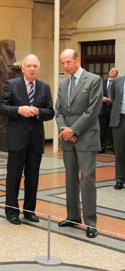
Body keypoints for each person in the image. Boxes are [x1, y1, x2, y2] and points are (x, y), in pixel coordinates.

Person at [0, 54, 54, 225]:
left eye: (35, 66)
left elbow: (50, 112)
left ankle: (29, 211)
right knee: (13, 177)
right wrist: (18, 110)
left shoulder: (44, 87)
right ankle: (11, 211)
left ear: (39, 68)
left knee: (33, 177)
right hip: (17, 138)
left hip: (36, 139)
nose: (31, 69)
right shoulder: (11, 85)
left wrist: (38, 112)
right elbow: (1, 107)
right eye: (28, 66)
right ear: (22, 68)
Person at [56, 49, 103, 238]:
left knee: (87, 180)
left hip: (86, 136)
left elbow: (93, 110)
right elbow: (58, 111)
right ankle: (72, 216)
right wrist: (64, 131)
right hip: (68, 139)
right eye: (63, 63)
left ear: (78, 60)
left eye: (69, 62)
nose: (66, 66)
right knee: (70, 178)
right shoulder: (63, 84)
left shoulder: (93, 80)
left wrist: (73, 130)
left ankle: (91, 222)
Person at [109, 73, 125, 190]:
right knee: (119, 151)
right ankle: (119, 179)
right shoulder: (116, 82)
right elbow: (113, 100)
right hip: (119, 119)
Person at [99, 68, 118, 153]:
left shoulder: (118, 83)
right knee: (102, 129)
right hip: (103, 108)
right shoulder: (102, 82)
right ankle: (102, 147)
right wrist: (101, 98)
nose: (112, 72)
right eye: (111, 70)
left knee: (113, 128)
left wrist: (113, 100)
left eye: (114, 71)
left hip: (113, 108)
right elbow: (96, 93)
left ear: (116, 74)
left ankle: (114, 148)